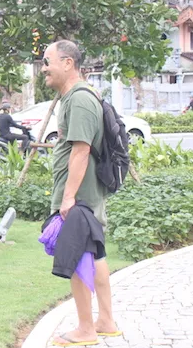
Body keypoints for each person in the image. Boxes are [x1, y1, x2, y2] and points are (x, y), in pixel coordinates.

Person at [40, 40, 119, 346]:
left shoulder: (80, 99)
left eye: (47, 61)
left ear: (68, 63)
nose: (44, 68)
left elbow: (81, 150)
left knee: (77, 256)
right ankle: (106, 321)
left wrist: (68, 197)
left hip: (80, 197)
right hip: (85, 196)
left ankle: (86, 329)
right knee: (95, 254)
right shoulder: (76, 97)